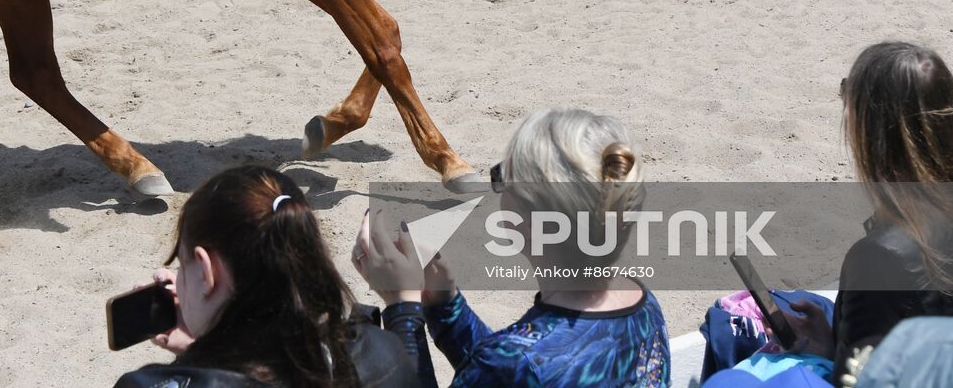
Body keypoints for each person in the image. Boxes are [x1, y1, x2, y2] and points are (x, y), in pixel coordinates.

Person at [352, 108, 669, 387]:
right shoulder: (644, 308)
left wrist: (403, 309)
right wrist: (445, 306)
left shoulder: (512, 364)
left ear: (527, 218)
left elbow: (512, 368)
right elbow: (515, 367)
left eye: (503, 176)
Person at [781, 43, 953, 383]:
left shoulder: (880, 257)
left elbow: (855, 380)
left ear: (872, 135)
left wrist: (823, 356)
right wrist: (837, 342)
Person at [114, 165, 417, 388]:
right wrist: (404, 305)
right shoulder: (383, 358)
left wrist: (195, 362)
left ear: (207, 274)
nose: (177, 283)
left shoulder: (143, 385)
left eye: (181, 267)